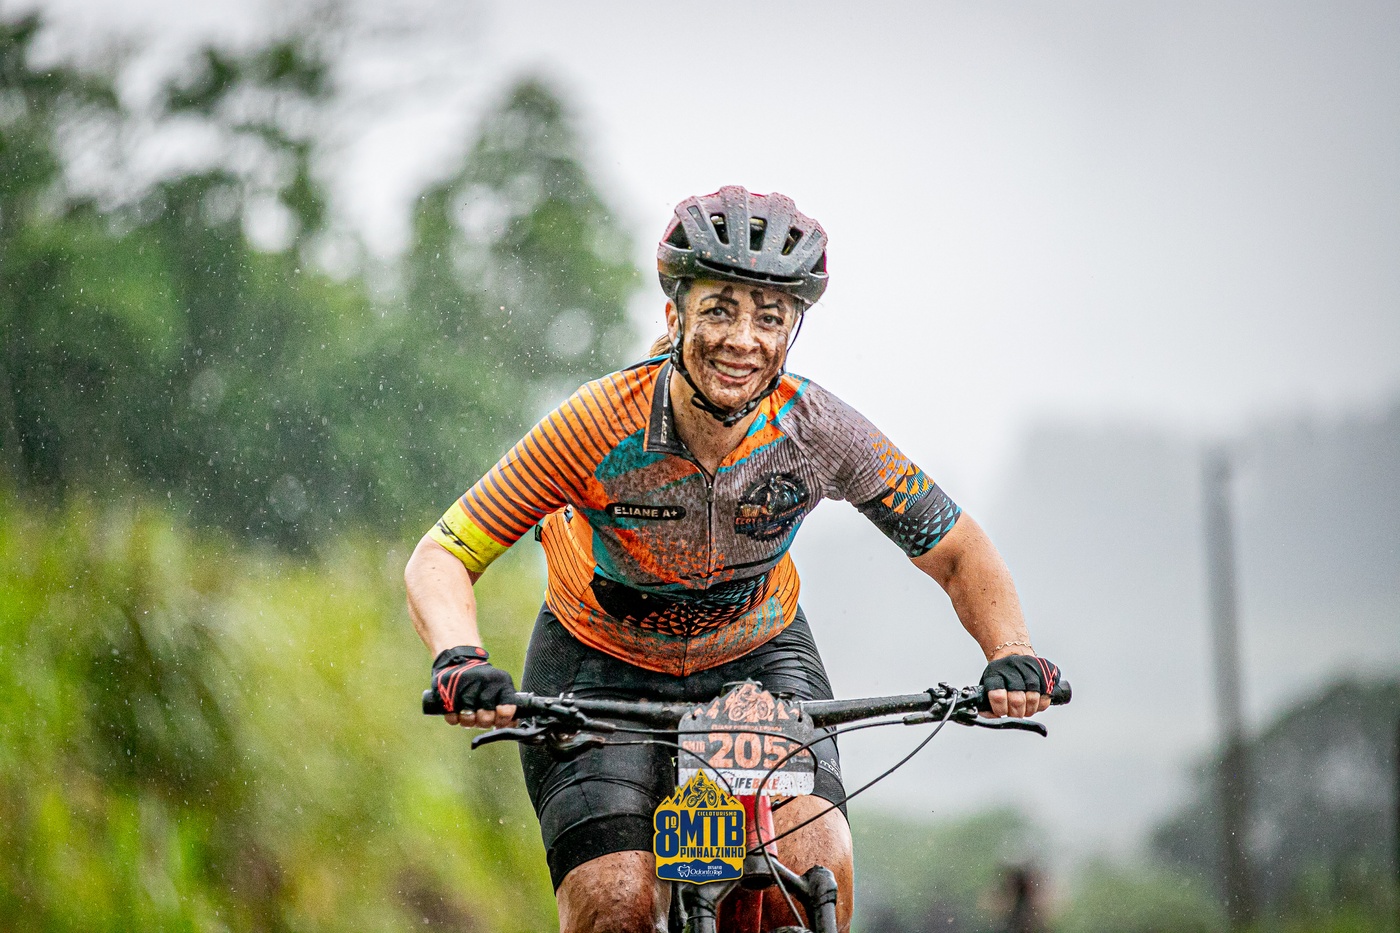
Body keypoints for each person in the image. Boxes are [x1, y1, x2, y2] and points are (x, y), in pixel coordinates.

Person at [404, 186, 1062, 933]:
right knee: (614, 905)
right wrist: (459, 658)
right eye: (719, 310)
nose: (742, 340)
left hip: (757, 657)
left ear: (792, 332)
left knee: (808, 875)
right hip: (597, 663)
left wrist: (1012, 652)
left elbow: (959, 550)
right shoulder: (596, 425)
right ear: (674, 317)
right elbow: (444, 553)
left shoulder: (818, 429)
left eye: (770, 317)